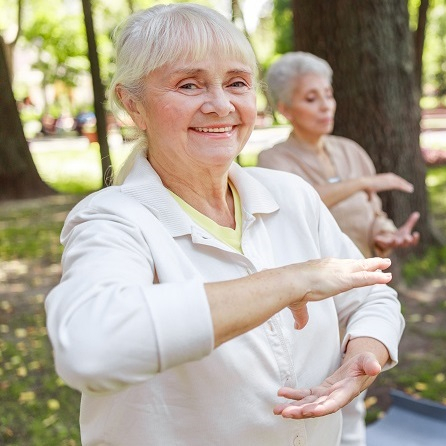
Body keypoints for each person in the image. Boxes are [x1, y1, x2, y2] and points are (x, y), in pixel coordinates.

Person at [44, 4, 405, 445]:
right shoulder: (111, 220)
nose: (220, 105)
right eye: (189, 84)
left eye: (237, 83)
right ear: (133, 104)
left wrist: (365, 352)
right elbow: (90, 348)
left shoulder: (292, 195)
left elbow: (371, 295)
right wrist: (289, 282)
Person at [256, 51, 419, 446]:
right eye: (311, 97)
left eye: (328, 94)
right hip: (311, 300)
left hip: (360, 290)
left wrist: (386, 234)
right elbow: (303, 202)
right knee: (316, 387)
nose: (326, 104)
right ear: (285, 108)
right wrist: (369, 181)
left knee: (355, 385)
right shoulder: (273, 159)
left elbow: (373, 211)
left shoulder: (350, 150)